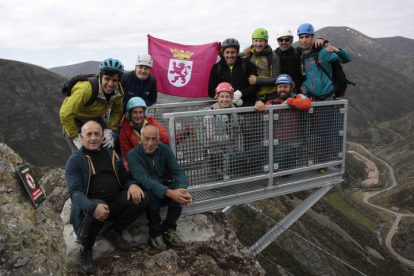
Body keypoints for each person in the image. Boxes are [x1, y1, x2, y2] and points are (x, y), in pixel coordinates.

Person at [65, 121, 149, 275]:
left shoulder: (112, 155)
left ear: (102, 136)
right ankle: (86, 248)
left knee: (142, 197)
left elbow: (125, 178)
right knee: (96, 206)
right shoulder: (75, 160)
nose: (93, 138)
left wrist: (132, 185)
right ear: (81, 137)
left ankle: (114, 231)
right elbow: (75, 192)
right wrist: (91, 207)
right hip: (92, 206)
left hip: (115, 202)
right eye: (89, 134)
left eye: (97, 134)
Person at [127, 125, 192, 251]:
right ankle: (155, 233)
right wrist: (170, 193)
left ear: (158, 139)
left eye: (154, 139)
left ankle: (169, 229)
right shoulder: (133, 155)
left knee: (178, 192)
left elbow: (178, 171)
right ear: (141, 139)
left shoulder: (164, 149)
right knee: (152, 197)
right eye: (147, 139)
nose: (150, 143)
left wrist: (182, 190)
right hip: (147, 188)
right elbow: (145, 180)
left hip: (163, 184)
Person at [60, 58, 125, 152]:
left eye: (114, 80)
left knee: (108, 150)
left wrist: (109, 129)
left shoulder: (118, 92)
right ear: (100, 76)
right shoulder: (86, 89)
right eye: (107, 78)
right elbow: (66, 114)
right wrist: (75, 137)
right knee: (81, 154)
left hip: (95, 118)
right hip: (75, 120)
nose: (110, 84)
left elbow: (117, 110)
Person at [266, 74, 311, 171]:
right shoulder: (273, 101)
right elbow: (264, 107)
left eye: (285, 86)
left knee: (271, 165)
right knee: (252, 154)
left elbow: (307, 104)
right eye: (280, 87)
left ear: (291, 87)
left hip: (292, 144)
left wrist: (289, 101)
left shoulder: (298, 97)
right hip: (274, 143)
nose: (282, 89)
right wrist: (258, 102)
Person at [297, 23, 352, 101]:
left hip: (327, 97)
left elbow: (347, 59)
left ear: (312, 37)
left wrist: (338, 51)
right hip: (311, 97)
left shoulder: (323, 52)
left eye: (307, 37)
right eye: (301, 37)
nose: (304, 40)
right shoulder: (302, 56)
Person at [201, 82, 242, 182]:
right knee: (216, 162)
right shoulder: (210, 114)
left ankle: (227, 178)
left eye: (227, 97)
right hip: (213, 148)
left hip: (228, 147)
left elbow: (236, 129)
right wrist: (230, 138)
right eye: (222, 96)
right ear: (217, 98)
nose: (225, 99)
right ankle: (215, 180)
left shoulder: (233, 112)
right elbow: (210, 138)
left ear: (232, 98)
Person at [208, 38, 260, 107]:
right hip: (224, 106)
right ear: (223, 53)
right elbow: (211, 90)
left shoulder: (247, 65)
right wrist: (223, 97)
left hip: (245, 105)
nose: (230, 55)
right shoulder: (216, 68)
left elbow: (256, 86)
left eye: (233, 52)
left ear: (237, 53)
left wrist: (241, 93)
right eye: (227, 52)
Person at [120, 97, 169, 167]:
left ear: (144, 113)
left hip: (155, 160)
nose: (138, 116)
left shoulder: (151, 123)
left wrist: (182, 134)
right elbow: (128, 156)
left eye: (140, 112)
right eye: (135, 112)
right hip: (139, 163)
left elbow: (166, 138)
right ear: (129, 113)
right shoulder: (124, 132)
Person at [274, 28, 325, 95]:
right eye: (281, 40)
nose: (284, 42)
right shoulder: (274, 55)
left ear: (291, 40)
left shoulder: (298, 52)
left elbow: (311, 49)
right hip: (280, 92)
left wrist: (321, 40)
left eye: (287, 39)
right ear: (277, 41)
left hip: (296, 91)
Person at [243, 28, 281, 111]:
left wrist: (257, 80)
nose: (258, 44)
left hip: (271, 96)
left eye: (261, 41)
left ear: (266, 42)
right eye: (256, 41)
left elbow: (276, 80)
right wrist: (219, 49)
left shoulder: (273, 57)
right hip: (254, 97)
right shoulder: (247, 54)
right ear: (252, 42)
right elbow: (231, 57)